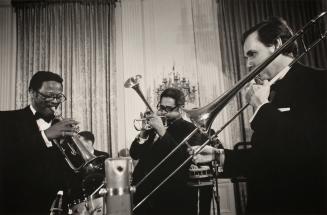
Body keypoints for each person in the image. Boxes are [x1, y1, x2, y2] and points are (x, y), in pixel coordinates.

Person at [191, 17, 327, 214]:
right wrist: (220, 156)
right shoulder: (268, 90)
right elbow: (267, 159)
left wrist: (261, 108)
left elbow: (308, 151)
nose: (248, 64)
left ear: (277, 45)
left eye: (252, 54)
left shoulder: (319, 82)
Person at [0, 71, 79, 214]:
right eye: (49, 95)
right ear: (32, 93)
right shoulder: (6, 120)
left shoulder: (62, 126)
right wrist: (45, 136)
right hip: (18, 206)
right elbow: (6, 158)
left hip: (58, 208)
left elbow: (70, 173)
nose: (55, 101)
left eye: (58, 96)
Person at [130, 88, 208, 215]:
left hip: (170, 199)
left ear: (180, 108)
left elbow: (182, 159)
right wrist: (143, 132)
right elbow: (135, 153)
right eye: (161, 107)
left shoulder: (190, 129)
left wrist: (162, 131)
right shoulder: (152, 128)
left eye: (168, 109)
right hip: (143, 195)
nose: (162, 112)